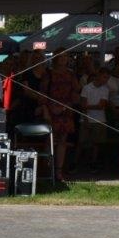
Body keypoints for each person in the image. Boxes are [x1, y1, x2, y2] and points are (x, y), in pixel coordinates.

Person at [41, 53, 81, 182]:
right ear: (56, 58)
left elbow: (77, 89)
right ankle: (47, 170)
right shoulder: (48, 73)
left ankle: (59, 171)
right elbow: (42, 93)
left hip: (66, 108)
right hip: (51, 108)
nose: (64, 59)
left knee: (63, 140)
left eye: (66, 56)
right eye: (61, 56)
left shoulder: (71, 73)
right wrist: (46, 108)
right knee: (50, 139)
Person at [78, 67, 110, 170]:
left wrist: (87, 106)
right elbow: (82, 106)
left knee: (96, 144)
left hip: (100, 120)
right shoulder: (86, 88)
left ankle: (93, 163)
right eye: (104, 77)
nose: (105, 80)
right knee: (81, 142)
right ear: (98, 75)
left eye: (107, 78)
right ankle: (75, 163)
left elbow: (101, 106)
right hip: (85, 119)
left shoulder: (105, 89)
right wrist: (85, 119)